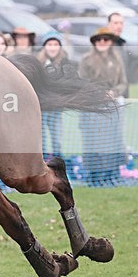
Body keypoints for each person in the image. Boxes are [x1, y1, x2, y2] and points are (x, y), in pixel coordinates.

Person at [78, 27, 128, 185]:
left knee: (113, 142)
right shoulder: (86, 59)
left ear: (111, 42)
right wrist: (100, 94)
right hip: (94, 107)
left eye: (105, 39)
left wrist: (114, 92)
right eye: (98, 40)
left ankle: (111, 175)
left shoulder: (117, 59)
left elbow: (123, 83)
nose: (102, 42)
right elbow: (82, 83)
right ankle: (95, 177)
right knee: (95, 142)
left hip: (112, 107)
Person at [36, 31, 74, 159]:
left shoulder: (65, 64)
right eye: (49, 44)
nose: (52, 47)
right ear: (44, 46)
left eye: (55, 44)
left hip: (56, 109)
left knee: (56, 140)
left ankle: (58, 164)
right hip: (41, 109)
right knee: (41, 141)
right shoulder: (38, 63)